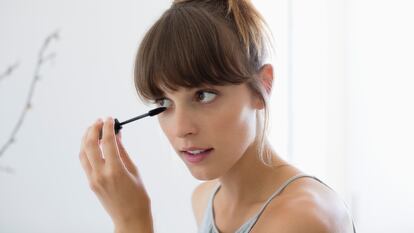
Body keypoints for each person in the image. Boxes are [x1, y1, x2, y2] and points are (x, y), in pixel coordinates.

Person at [79, 0, 357, 232]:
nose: (181, 128)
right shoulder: (205, 200)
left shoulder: (301, 219)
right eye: (164, 102)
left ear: (262, 88)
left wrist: (131, 220)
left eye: (203, 95)